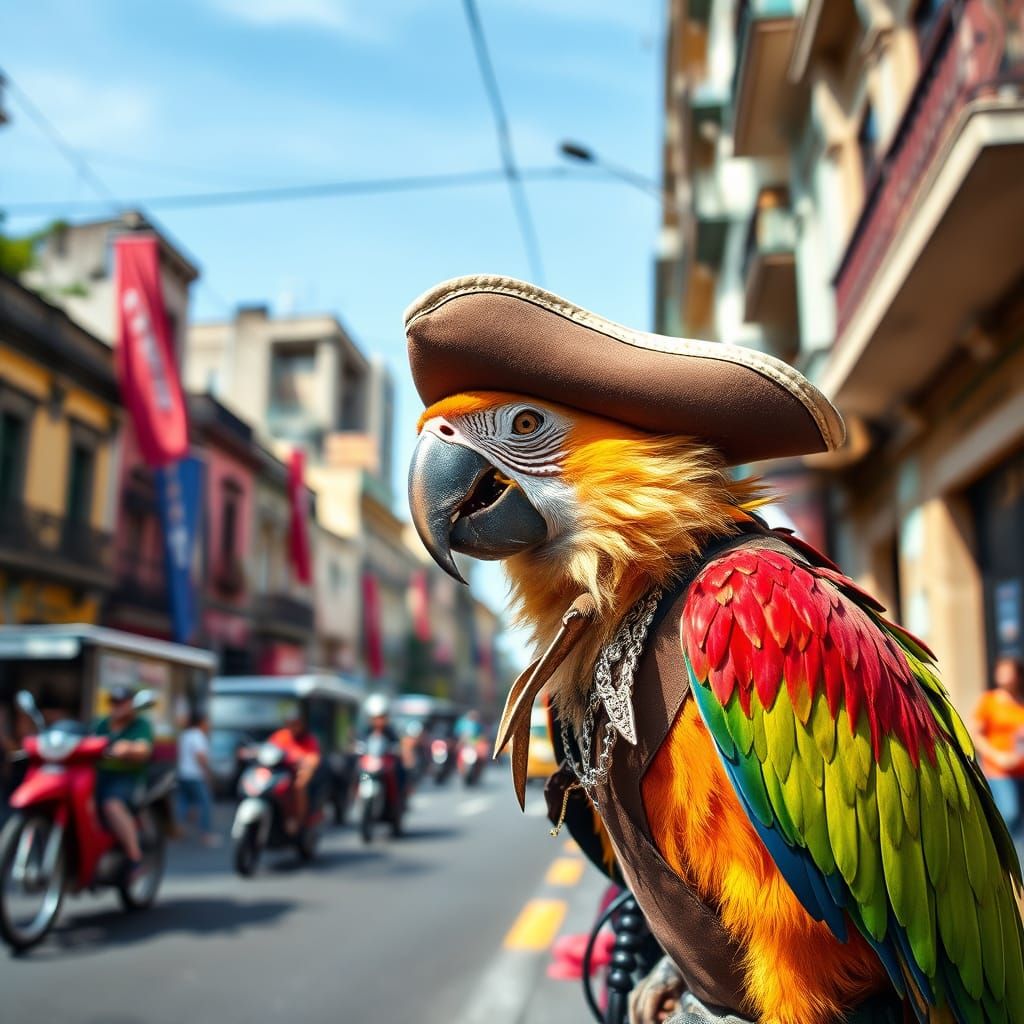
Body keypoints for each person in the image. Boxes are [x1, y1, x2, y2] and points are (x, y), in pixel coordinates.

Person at [92, 686, 153, 875]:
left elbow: (144, 749)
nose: (117, 707)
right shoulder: (102, 724)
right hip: (98, 776)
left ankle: (135, 857)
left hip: (127, 778)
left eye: (121, 702)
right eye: (114, 702)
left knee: (112, 806)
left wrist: (128, 749)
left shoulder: (140, 725)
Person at [973, 656, 1024, 840]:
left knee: (1019, 825)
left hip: (1021, 770)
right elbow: (977, 735)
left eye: (1008, 671)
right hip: (999, 771)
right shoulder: (989, 702)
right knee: (1009, 814)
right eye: (1001, 671)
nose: (1004, 675)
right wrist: (997, 756)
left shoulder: (1020, 705)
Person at [268, 706, 321, 835]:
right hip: (279, 772)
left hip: (296, 774)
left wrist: (307, 763)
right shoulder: (281, 736)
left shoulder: (308, 740)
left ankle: (297, 820)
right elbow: (268, 749)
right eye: (290, 724)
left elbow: (314, 758)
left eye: (296, 724)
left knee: (300, 785)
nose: (293, 727)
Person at [177, 709, 218, 846]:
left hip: (183, 774)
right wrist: (207, 772)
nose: (209, 724)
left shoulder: (186, 735)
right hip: (195, 775)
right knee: (205, 804)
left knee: (184, 803)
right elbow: (200, 757)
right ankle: (206, 834)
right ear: (201, 722)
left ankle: (179, 829)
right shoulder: (198, 735)